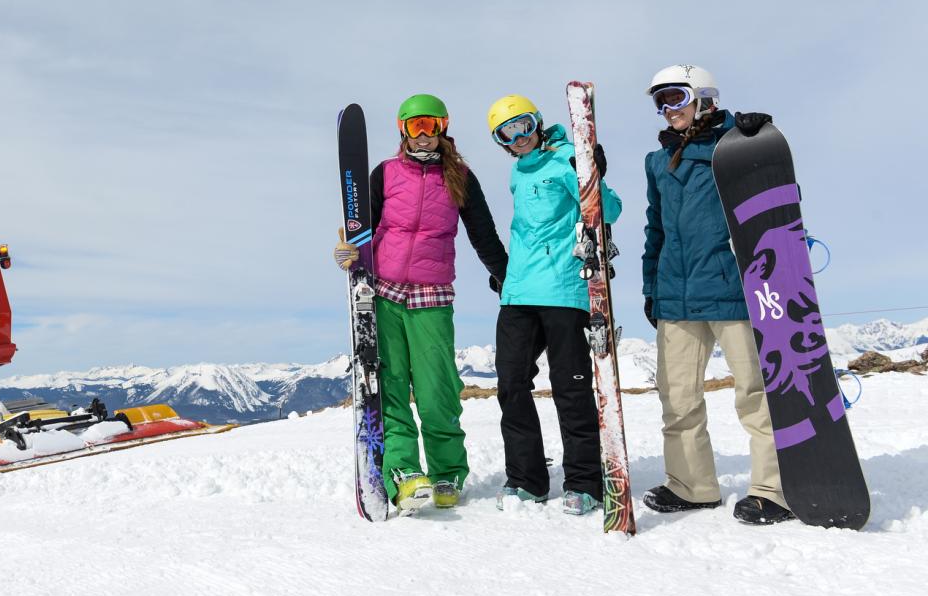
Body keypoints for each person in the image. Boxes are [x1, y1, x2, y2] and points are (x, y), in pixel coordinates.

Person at [335, 94, 509, 514]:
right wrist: (347, 251)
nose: (425, 135)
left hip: (432, 295)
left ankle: (448, 471)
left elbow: (482, 233)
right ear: (402, 129)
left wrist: (507, 276)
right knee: (391, 386)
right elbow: (362, 228)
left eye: (432, 125)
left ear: (444, 127)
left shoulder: (460, 177)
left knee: (437, 389)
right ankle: (404, 473)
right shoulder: (385, 174)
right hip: (385, 292)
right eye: (416, 126)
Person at [641, 64, 791, 525]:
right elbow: (656, 229)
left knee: (756, 394)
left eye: (675, 98)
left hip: (734, 290)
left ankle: (774, 489)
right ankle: (692, 486)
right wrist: (652, 288)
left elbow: (776, 193)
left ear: (703, 97)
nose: (668, 111)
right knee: (678, 398)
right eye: (660, 102)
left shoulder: (736, 147)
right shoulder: (657, 161)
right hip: (676, 297)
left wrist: (759, 136)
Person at [486, 95, 619, 516]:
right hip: (518, 293)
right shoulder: (515, 173)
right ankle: (527, 480)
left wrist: (590, 173)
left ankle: (584, 482)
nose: (519, 137)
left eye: (523, 126)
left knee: (570, 386)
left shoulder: (565, 159)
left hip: (563, 290)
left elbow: (609, 210)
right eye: (507, 133)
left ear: (537, 123)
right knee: (511, 384)